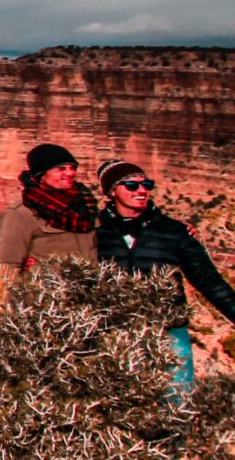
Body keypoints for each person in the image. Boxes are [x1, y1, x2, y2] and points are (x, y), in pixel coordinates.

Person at [95, 159, 235, 390]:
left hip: (169, 329)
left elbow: (209, 281)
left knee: (177, 403)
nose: (142, 190)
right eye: (131, 185)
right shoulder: (96, 232)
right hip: (116, 331)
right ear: (112, 192)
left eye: (147, 184)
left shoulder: (173, 231)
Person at [0, 142, 97, 273]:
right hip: (46, 292)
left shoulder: (88, 205)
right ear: (42, 175)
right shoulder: (21, 213)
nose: (70, 173)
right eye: (61, 169)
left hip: (91, 290)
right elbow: (7, 266)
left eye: (73, 168)